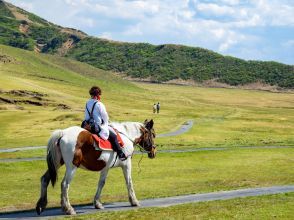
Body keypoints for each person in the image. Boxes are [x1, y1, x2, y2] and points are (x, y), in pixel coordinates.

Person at [84, 86, 127, 160]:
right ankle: (120, 154)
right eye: (99, 95)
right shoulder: (99, 104)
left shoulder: (87, 103)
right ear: (98, 95)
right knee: (113, 136)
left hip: (87, 125)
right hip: (97, 127)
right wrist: (106, 123)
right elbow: (105, 117)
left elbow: (86, 116)